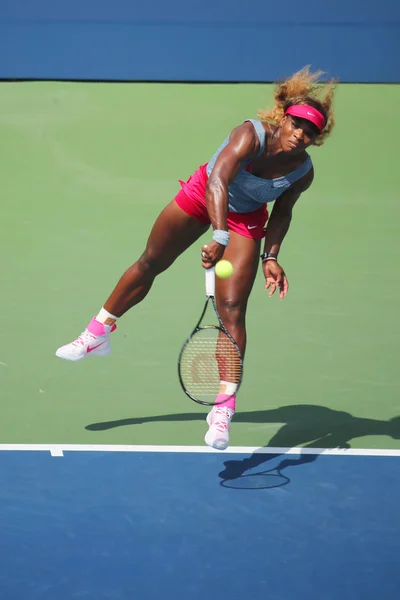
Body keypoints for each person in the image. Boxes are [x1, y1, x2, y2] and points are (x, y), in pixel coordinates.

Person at [56, 66, 336, 450]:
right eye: (297, 125)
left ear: (316, 139)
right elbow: (218, 180)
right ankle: (97, 333)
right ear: (284, 119)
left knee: (233, 310)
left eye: (311, 132)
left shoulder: (302, 171)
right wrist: (218, 234)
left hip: (248, 218)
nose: (301, 135)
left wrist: (271, 256)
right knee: (150, 262)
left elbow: (283, 212)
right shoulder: (249, 135)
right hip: (203, 193)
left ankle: (222, 408)